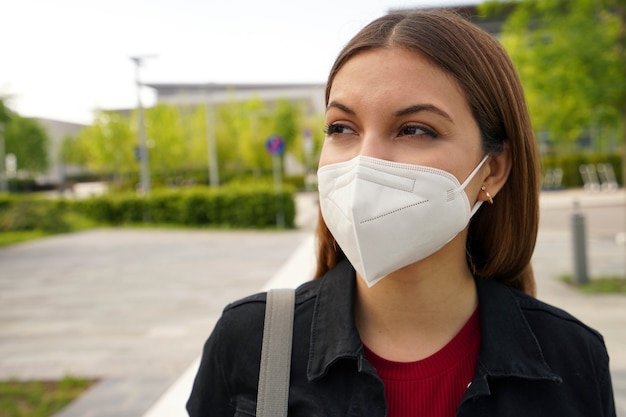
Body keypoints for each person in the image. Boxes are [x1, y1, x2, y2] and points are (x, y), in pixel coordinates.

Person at [187, 9, 616, 417]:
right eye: (341, 128)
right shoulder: (251, 343)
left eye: (414, 129)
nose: (364, 160)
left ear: (494, 170)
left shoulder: (572, 358)